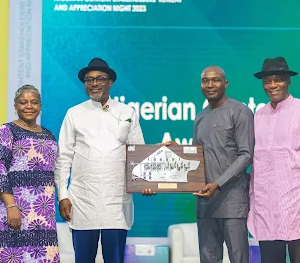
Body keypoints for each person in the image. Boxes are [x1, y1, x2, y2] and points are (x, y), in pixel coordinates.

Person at [144, 66, 255, 263]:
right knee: (208, 259)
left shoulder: (240, 111)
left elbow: (246, 155)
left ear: (225, 83)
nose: (210, 85)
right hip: (206, 203)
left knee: (239, 259)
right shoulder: (200, 117)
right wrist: (177, 150)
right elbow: (197, 157)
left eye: (215, 80)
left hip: (232, 203)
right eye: (205, 81)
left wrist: (218, 183)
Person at [54, 58, 145, 263]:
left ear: (110, 82)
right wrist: (62, 196)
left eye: (100, 79)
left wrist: (147, 183)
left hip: (116, 203)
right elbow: (63, 159)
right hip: (82, 202)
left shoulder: (127, 113)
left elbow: (138, 154)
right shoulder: (74, 114)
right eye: (89, 80)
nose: (94, 84)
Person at [0, 85, 60, 263]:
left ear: (40, 106)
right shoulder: (6, 131)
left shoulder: (49, 136)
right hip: (13, 211)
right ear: (15, 106)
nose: (29, 106)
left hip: (42, 216)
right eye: (23, 102)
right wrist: (11, 207)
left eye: (34, 102)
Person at [248, 57, 300, 263]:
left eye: (278, 79)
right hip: (266, 207)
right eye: (267, 81)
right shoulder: (258, 115)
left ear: (288, 81)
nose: (272, 85)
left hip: (295, 203)